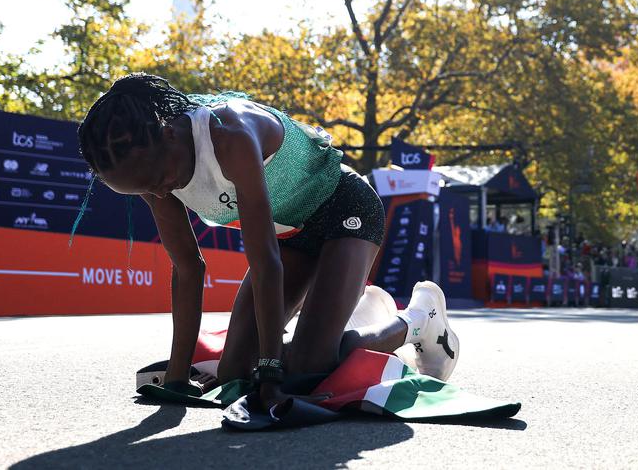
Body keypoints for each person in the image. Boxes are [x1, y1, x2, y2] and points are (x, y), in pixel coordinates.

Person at [74, 74, 459, 408]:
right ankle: (341, 320)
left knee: (306, 368)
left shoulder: (231, 135)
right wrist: (177, 379)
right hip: (292, 235)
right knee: (234, 373)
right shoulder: (152, 171)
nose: (160, 194)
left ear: (168, 133)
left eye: (159, 180)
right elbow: (189, 269)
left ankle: (418, 320)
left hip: (345, 209)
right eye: (145, 191)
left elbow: (264, 263)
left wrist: (272, 373)